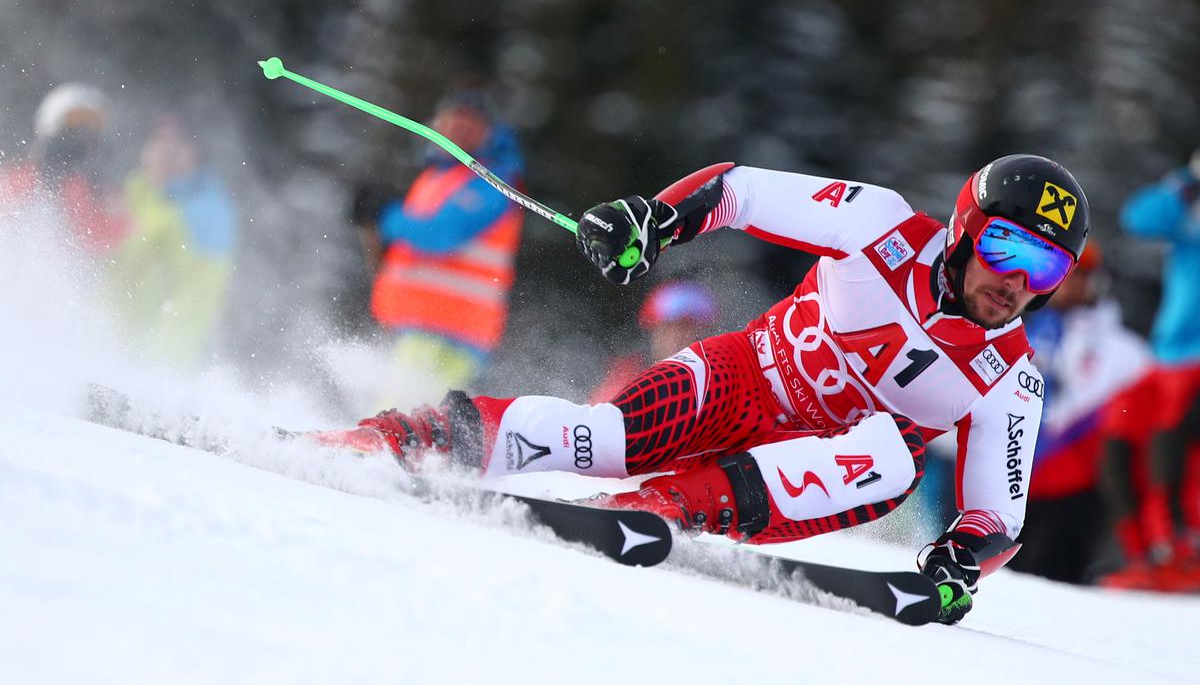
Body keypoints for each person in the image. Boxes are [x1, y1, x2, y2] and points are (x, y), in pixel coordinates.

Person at [316, 155, 1090, 626]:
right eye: (1005, 247)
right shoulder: (880, 224)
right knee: (606, 440)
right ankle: (409, 437)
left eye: (1047, 268)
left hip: (810, 473)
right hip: (740, 378)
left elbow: (998, 516)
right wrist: (654, 220)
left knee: (894, 457)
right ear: (965, 229)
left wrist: (960, 563)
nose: (1017, 283)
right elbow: (740, 190)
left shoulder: (1010, 376)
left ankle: (662, 510)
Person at [350, 87, 525, 395]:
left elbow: (442, 234)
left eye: (471, 123)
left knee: (396, 420)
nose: (459, 130)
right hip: (414, 323)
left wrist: (385, 215)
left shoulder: (492, 180)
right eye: (453, 121)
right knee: (398, 420)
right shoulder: (436, 177)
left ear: (488, 132)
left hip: (452, 331)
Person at [1007, 245, 1152, 583]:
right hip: (1017, 473)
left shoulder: (1125, 351)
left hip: (1078, 485)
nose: (1068, 284)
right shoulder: (1018, 326)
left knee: (1057, 576)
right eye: (1062, 275)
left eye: (1079, 276)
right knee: (1000, 576)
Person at [1099, 149, 1200, 589]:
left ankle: (1176, 549)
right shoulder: (1190, 212)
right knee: (1119, 432)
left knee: (1169, 442)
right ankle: (1143, 552)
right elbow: (1140, 218)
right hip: (1167, 356)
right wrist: (1186, 184)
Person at [105, 113, 239, 368]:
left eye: (176, 147)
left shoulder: (207, 207)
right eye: (159, 144)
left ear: (195, 154)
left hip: (159, 360)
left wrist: (160, 368)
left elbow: (195, 301)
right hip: (111, 340)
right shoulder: (136, 189)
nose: (165, 154)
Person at [0, 83, 125, 255]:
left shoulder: (100, 193)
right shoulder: (16, 182)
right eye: (74, 126)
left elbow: (115, 241)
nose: (82, 136)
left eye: (90, 129)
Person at [589, 280, 720, 403]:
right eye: (668, 327)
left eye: (688, 327)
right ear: (653, 331)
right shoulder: (627, 375)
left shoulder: (716, 379)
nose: (678, 336)